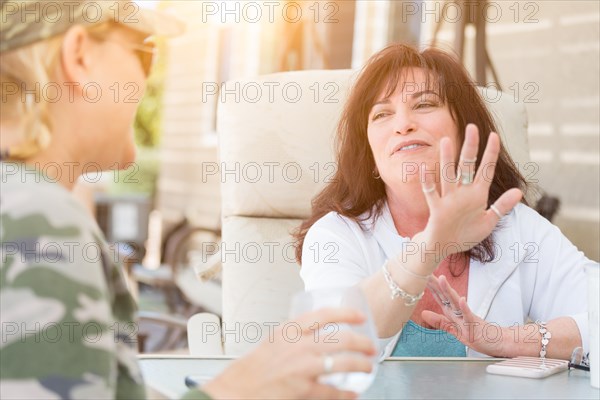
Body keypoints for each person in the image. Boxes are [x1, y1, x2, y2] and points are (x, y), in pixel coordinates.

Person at [0, 2, 376, 399]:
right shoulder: (37, 218)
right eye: (145, 54)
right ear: (79, 56)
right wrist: (236, 391)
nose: (146, 83)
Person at [295, 43, 594, 360]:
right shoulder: (335, 235)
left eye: (424, 104)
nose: (403, 124)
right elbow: (333, 341)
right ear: (369, 151)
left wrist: (506, 340)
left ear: (464, 130)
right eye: (382, 113)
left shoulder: (516, 226)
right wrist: (432, 244)